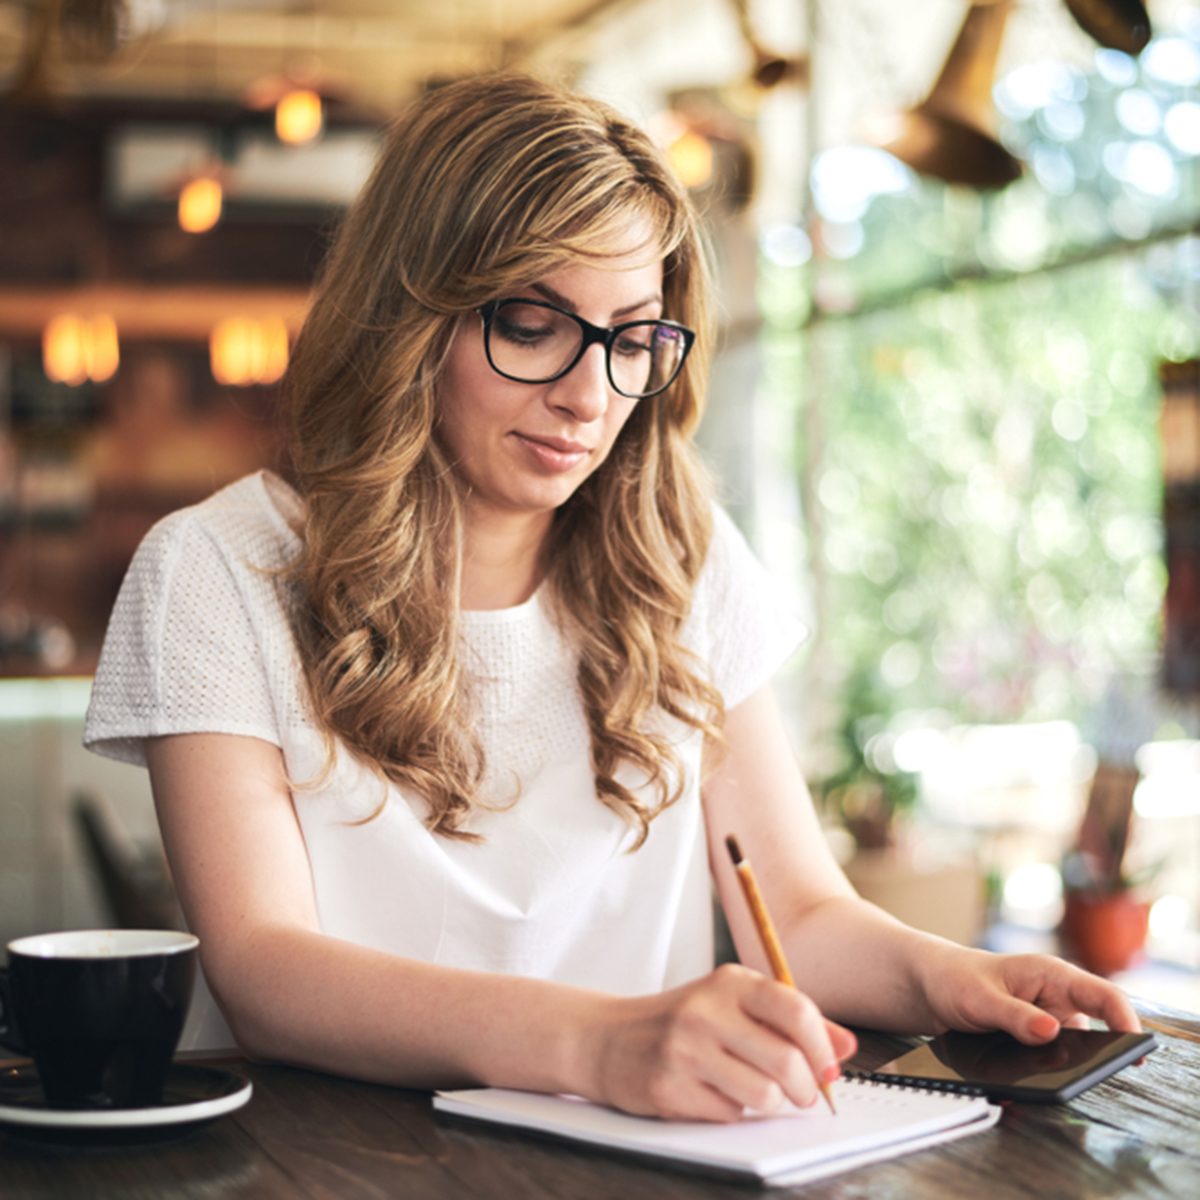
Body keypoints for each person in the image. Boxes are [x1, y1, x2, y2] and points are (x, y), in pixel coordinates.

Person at [84, 73, 1139, 1124]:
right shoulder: (217, 569)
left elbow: (802, 913)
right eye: (533, 323)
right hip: (346, 1165)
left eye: (633, 339)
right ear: (410, 315)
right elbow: (268, 974)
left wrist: (950, 979)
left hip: (645, 1158)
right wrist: (598, 1041)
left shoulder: (681, 550)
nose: (589, 397)